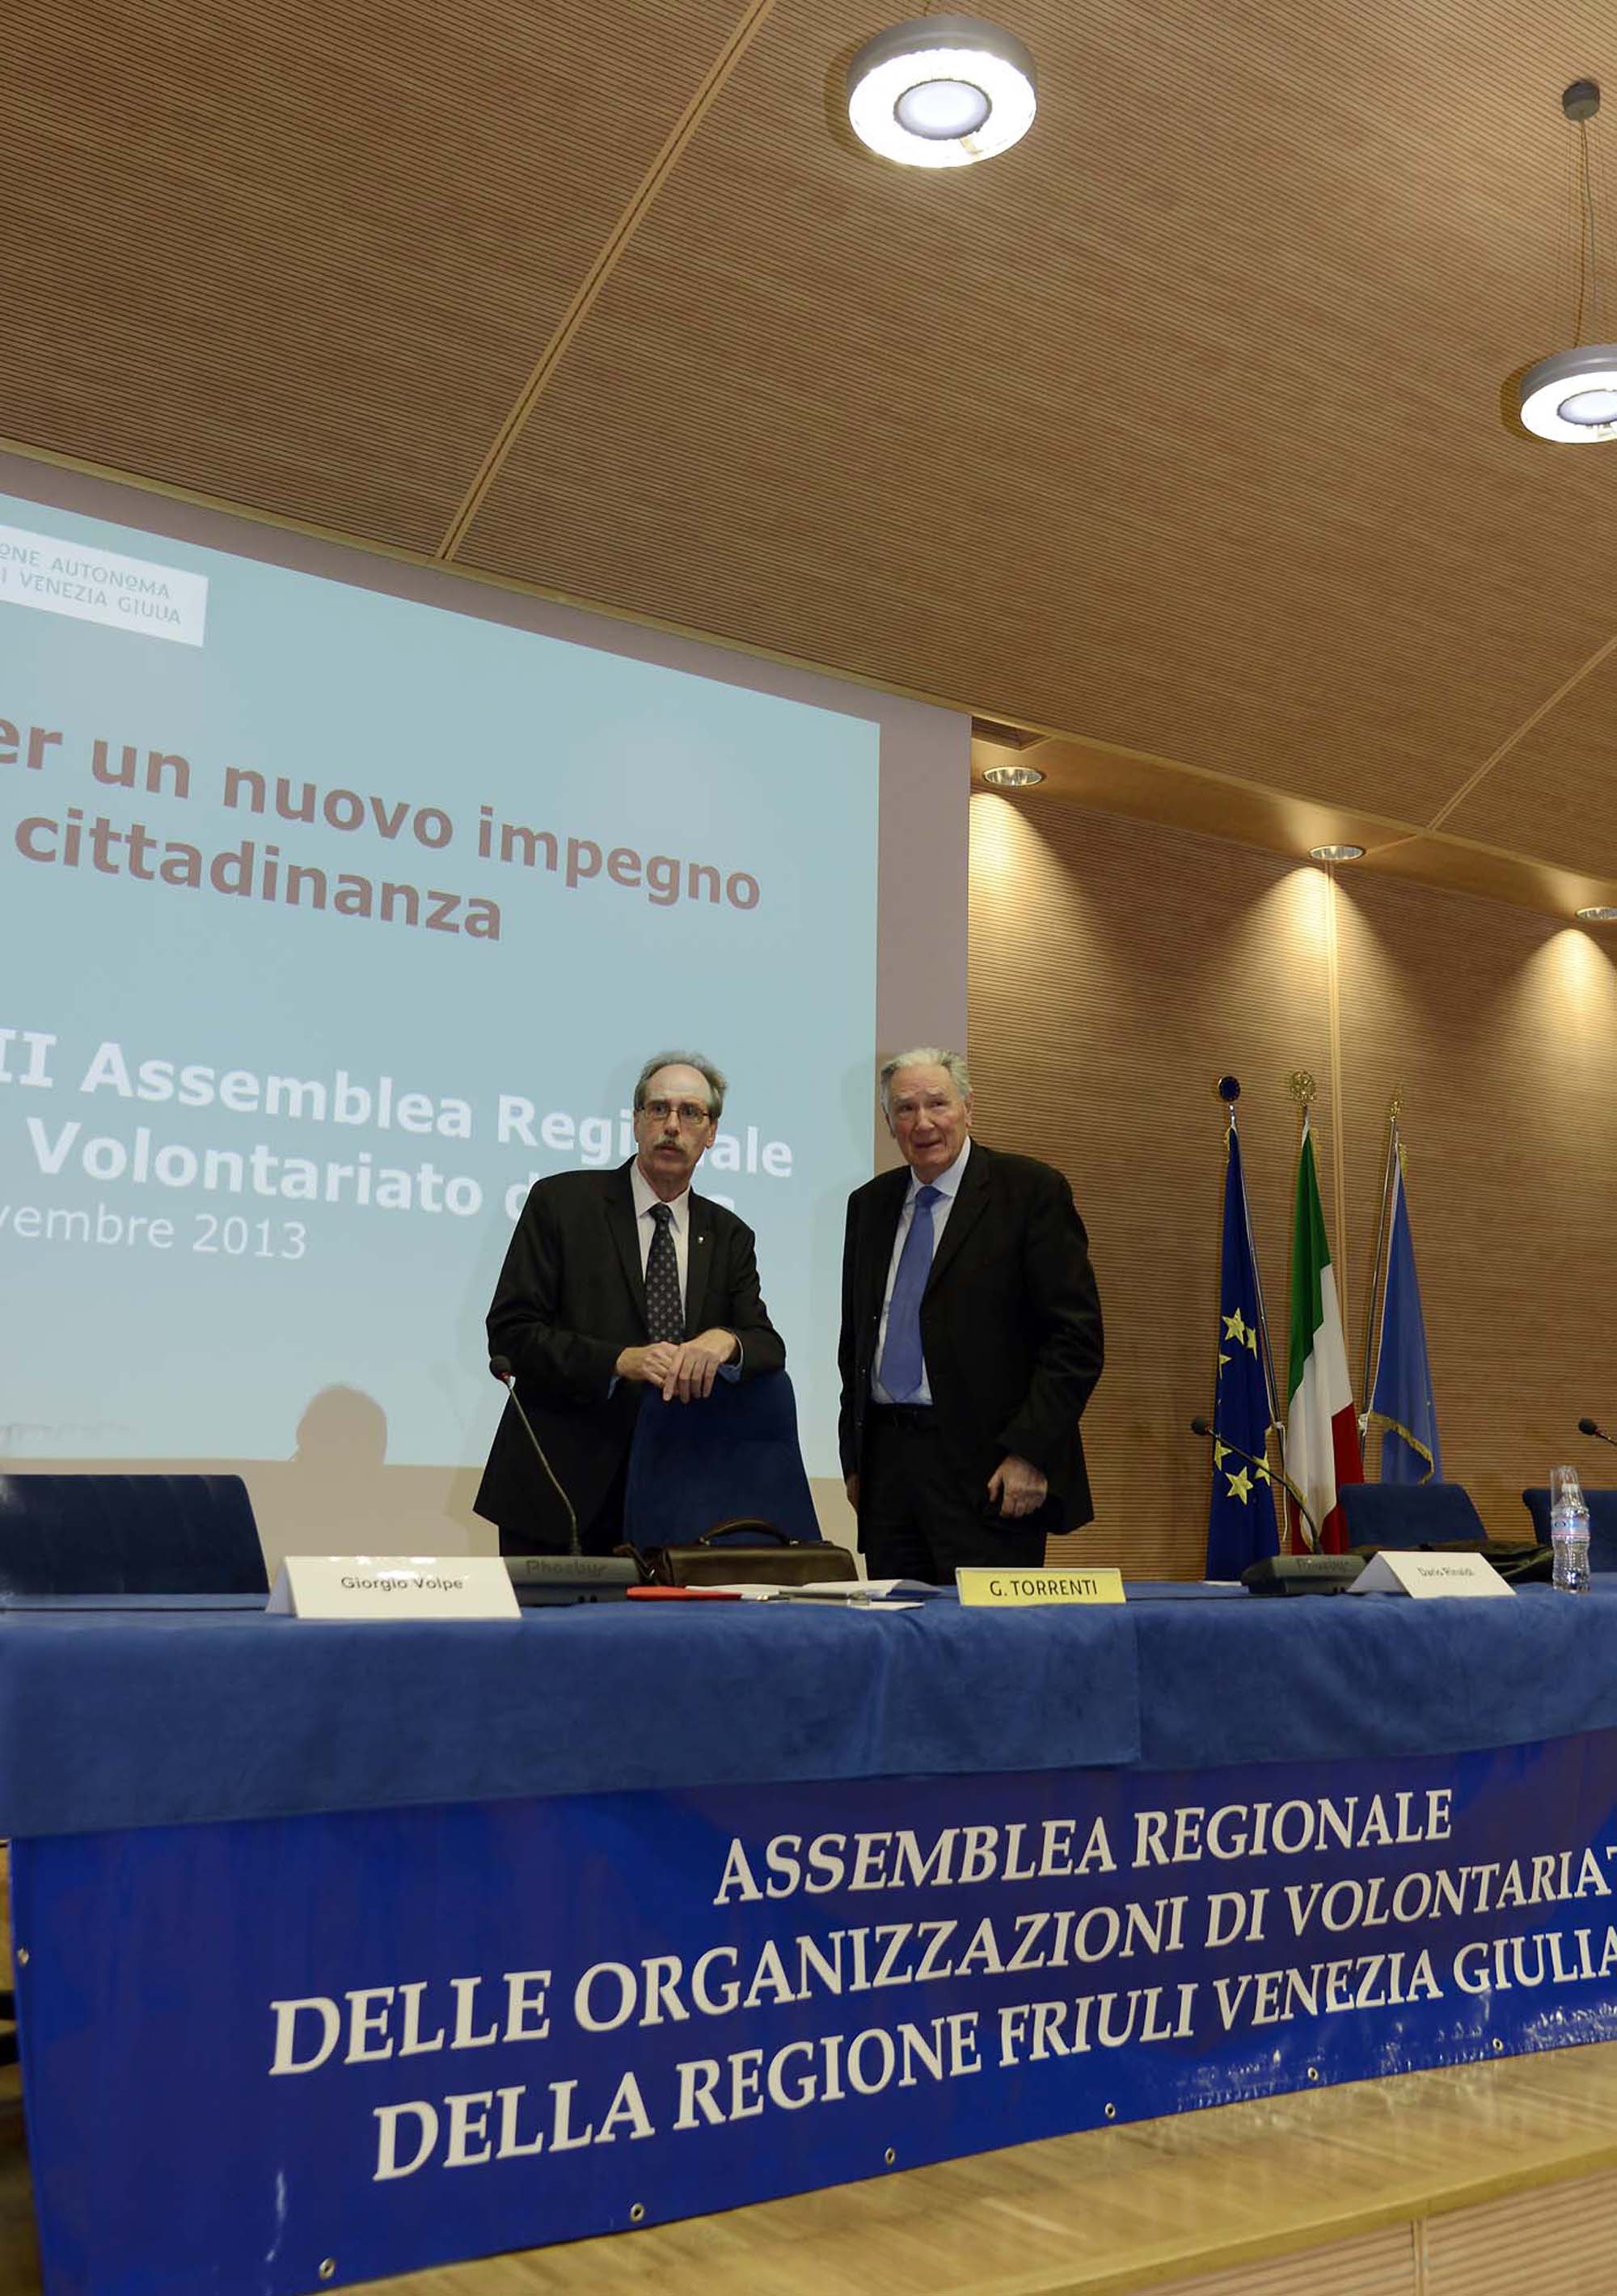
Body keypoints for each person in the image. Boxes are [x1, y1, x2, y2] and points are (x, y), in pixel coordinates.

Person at [476, 1052, 785, 1553]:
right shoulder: (562, 1203)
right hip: (561, 1495)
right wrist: (620, 1361)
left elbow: (766, 1345)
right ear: (637, 1120)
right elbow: (513, 1333)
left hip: (676, 1502)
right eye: (658, 1109)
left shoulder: (728, 1235)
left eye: (690, 1113)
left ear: (711, 1133)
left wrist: (722, 1340)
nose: (671, 1126)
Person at [838, 1047, 1103, 1584]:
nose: (924, 1122)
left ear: (968, 1108)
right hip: (890, 1478)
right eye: (905, 1109)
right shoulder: (868, 1205)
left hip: (994, 1476)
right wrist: (855, 1458)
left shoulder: (1030, 1192)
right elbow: (856, 1345)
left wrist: (1030, 1452)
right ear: (890, 1125)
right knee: (901, 1645)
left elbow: (1074, 1341)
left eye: (937, 1103)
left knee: (987, 1654)